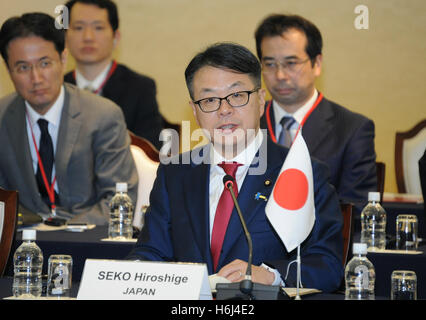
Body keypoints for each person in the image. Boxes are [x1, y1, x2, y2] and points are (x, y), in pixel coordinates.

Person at [127, 42, 344, 292]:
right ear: (195, 112)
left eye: (237, 96)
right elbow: (151, 251)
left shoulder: (300, 171)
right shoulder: (175, 173)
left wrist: (271, 275)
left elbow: (327, 266)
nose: (224, 110)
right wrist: (128, 274)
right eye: (209, 100)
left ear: (261, 100)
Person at [0, 12, 138, 225]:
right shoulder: (2, 117)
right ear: (9, 70)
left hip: (84, 239)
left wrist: (64, 232)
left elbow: (118, 199)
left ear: (63, 59)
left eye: (45, 63)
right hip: (21, 244)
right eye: (23, 67)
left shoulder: (103, 116)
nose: (36, 78)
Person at [255, 14, 377, 213]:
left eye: (291, 63)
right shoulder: (246, 124)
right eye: (269, 64)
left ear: (317, 63)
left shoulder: (353, 129)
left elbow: (355, 213)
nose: (280, 75)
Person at [64, 0, 164, 150]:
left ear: (115, 37)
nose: (88, 37)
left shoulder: (140, 88)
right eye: (78, 27)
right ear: (65, 37)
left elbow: (150, 152)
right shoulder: (55, 88)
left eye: (98, 27)